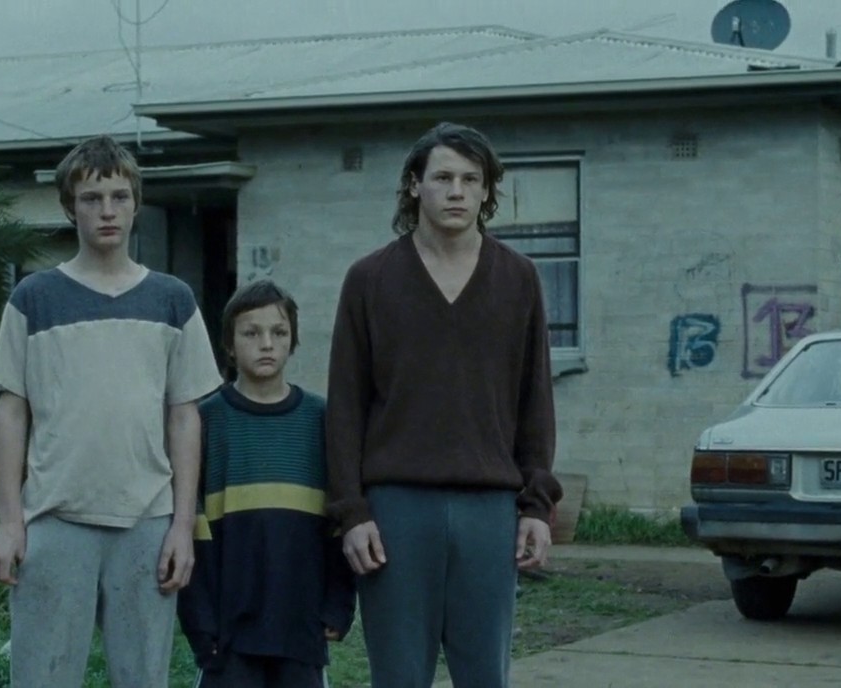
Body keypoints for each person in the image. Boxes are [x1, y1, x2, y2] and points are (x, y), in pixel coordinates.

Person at [325, 122, 563, 688]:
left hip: (489, 509)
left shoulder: (519, 278)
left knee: (485, 676)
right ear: (415, 185)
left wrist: (536, 506)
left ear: (487, 190)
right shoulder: (369, 279)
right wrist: (352, 513)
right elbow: (345, 407)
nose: (457, 191)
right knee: (399, 676)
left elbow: (535, 400)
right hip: (395, 511)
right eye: (443, 178)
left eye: (471, 179)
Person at [0, 135, 222, 687]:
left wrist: (182, 526)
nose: (107, 210)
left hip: (147, 524)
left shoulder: (173, 300)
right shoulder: (33, 298)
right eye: (92, 198)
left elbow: (184, 417)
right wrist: (9, 522)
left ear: (137, 204)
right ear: (70, 207)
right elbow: (11, 413)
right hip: (53, 520)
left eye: (119, 197)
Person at [178, 279, 356, 688]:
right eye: (251, 333)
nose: (266, 344)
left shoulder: (321, 419)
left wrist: (338, 604)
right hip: (228, 635)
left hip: (301, 627)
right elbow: (191, 526)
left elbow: (340, 521)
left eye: (278, 332)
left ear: (293, 342)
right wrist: (200, 621)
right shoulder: (207, 421)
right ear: (228, 344)